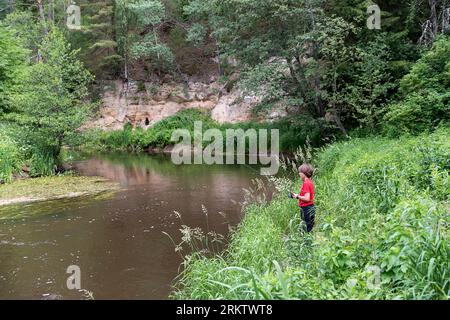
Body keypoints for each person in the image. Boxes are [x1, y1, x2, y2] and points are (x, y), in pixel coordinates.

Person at [290, 164, 315, 233]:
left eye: (300, 173)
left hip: (306, 208)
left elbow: (307, 198)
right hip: (311, 207)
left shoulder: (306, 183)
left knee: (305, 228)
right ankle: (310, 241)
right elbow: (308, 196)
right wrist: (296, 195)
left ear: (304, 173)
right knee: (309, 226)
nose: (299, 174)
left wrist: (297, 196)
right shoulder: (310, 182)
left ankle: (307, 242)